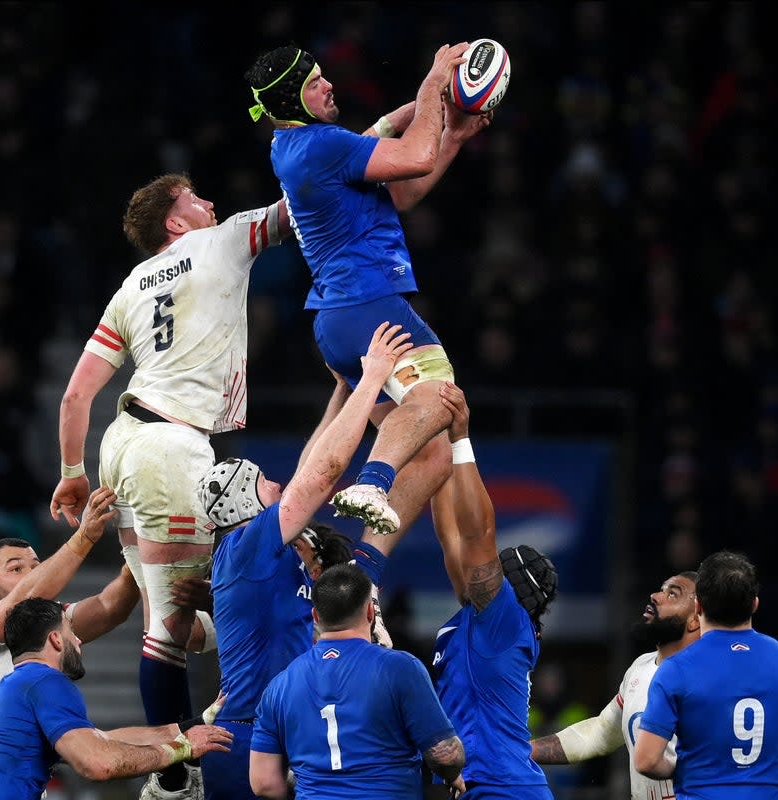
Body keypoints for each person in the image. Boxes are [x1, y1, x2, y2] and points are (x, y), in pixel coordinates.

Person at [48, 173, 289, 797]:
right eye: (195, 199)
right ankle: (197, 759)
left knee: (171, 614)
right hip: (171, 448)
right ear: (176, 223)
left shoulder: (129, 288)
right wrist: (387, 130)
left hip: (120, 444)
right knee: (212, 594)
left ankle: (175, 772)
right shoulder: (226, 239)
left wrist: (72, 473)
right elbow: (309, 195)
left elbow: (77, 395)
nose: (210, 202)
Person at [242, 45, 493, 644]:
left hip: (340, 321)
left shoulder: (299, 147)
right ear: (290, 98)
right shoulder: (321, 145)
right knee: (443, 398)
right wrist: (436, 80)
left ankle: (363, 576)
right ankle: (374, 479)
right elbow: (415, 153)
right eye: (317, 81)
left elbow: (404, 185)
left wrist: (451, 126)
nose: (330, 85)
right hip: (368, 307)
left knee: (431, 454)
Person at [197, 321, 414, 800]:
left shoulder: (256, 548)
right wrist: (374, 377)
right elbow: (320, 475)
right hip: (253, 739)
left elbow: (307, 469)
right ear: (240, 504)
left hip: (280, 732)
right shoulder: (245, 545)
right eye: (262, 483)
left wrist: (340, 392)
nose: (275, 485)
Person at [0, 486, 215, 799]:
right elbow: (98, 763)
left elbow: (108, 608)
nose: (32, 574)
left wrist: (141, 550)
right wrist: (85, 537)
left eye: (36, 566)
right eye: (16, 568)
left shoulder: (36, 647)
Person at [0, 598, 233, 799]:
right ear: (56, 640)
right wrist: (179, 750)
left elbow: (99, 740)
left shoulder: (14, 687)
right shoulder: (46, 680)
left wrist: (186, 728)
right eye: (72, 633)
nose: (79, 641)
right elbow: (98, 763)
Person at [428, 382, 558, 799]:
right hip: (487, 785)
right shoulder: (479, 615)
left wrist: (461, 438)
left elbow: (477, 531)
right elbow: (451, 536)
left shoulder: (503, 617)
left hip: (504, 787)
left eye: (493, 565)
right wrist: (431, 440)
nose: (481, 561)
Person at [249, 563, 465, 798]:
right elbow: (445, 755)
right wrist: (451, 774)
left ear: (315, 616)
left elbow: (263, 783)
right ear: (371, 612)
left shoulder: (279, 686)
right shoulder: (399, 668)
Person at [634, 550, 778, 798]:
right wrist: (764, 789)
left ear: (698, 605)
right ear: (755, 604)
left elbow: (646, 761)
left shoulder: (676, 669)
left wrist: (692, 774)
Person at [529, 572, 700, 800]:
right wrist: (524, 750)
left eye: (672, 594)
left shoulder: (711, 679)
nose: (656, 596)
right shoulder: (641, 667)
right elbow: (600, 732)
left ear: (695, 619)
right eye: (661, 589)